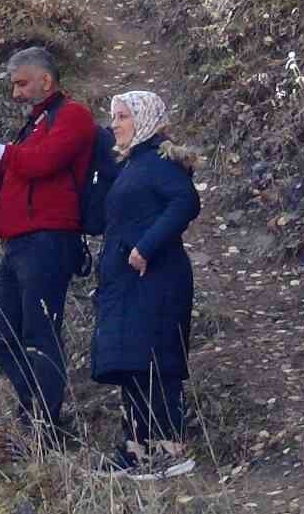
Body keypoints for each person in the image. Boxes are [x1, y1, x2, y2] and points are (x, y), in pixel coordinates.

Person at [0, 46, 96, 437]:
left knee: (40, 334)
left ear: (46, 81)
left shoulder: (72, 116)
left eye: (21, 84)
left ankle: (47, 424)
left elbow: (42, 162)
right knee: (2, 337)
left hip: (49, 241)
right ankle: (32, 410)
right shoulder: (36, 123)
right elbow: (23, 163)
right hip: (19, 244)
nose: (15, 93)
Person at [93, 91, 199, 479]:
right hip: (130, 283)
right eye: (113, 116)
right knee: (133, 363)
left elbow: (185, 202)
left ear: (145, 119)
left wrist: (145, 248)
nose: (114, 124)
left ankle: (171, 449)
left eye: (122, 116)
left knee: (157, 363)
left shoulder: (157, 161)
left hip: (157, 279)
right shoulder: (134, 163)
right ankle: (136, 449)